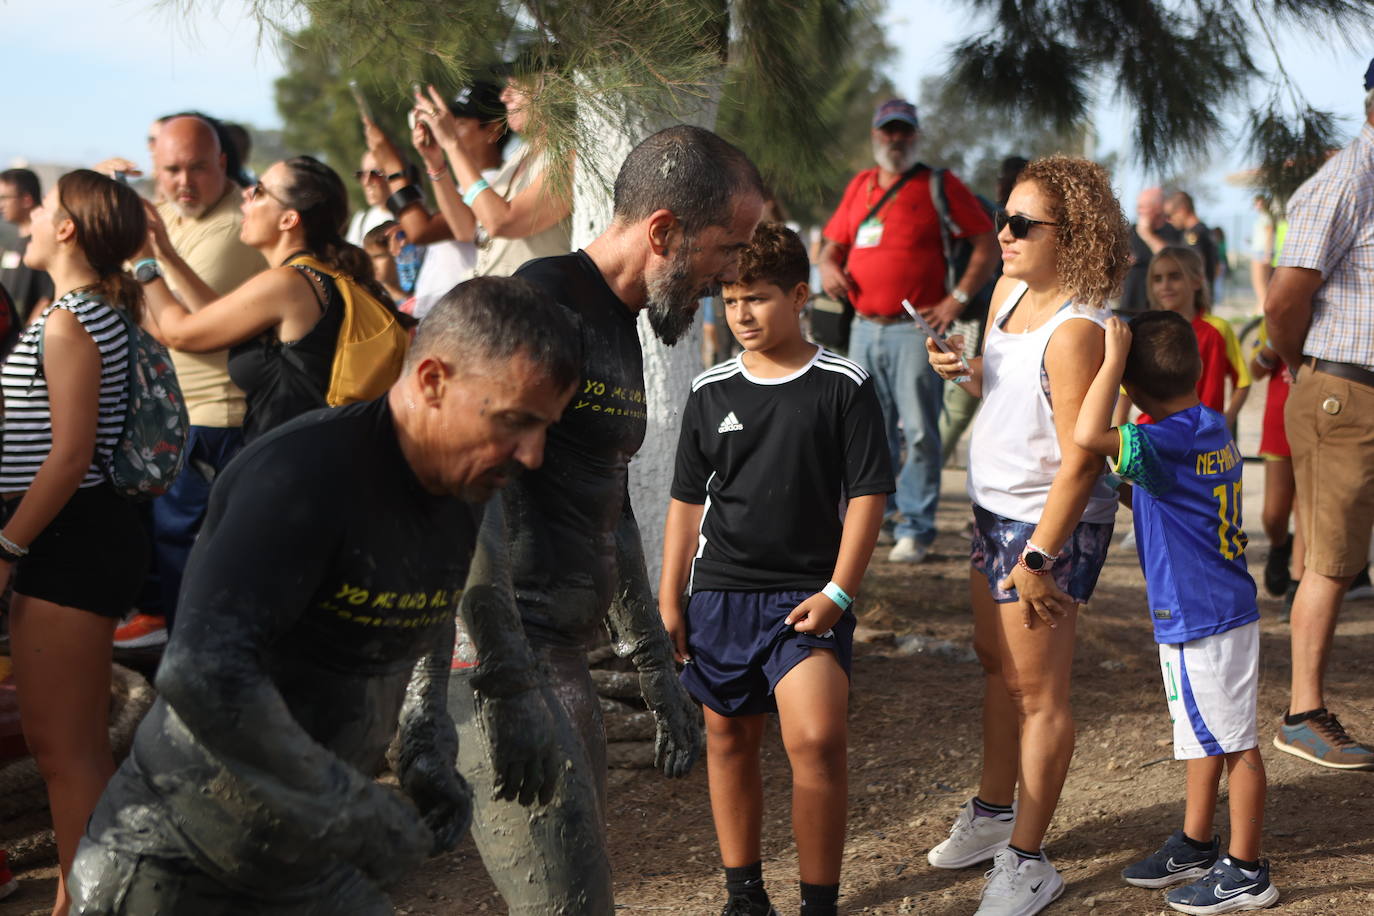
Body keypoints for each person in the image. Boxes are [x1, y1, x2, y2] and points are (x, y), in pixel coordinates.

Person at [68, 277, 580, 914]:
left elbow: (412, 627)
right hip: (176, 861)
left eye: (545, 429)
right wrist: (348, 801)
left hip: (307, 866)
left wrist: (422, 744)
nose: (531, 454)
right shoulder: (302, 474)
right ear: (431, 381)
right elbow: (202, 671)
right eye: (515, 422)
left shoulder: (464, 480)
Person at [448, 124, 764, 915]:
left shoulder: (618, 320)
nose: (733, 274)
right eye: (728, 248)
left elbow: (605, 498)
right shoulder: (540, 304)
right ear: (664, 230)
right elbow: (463, 495)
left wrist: (652, 657)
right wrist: (500, 677)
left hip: (561, 656)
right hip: (503, 659)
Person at [660, 223, 893, 916]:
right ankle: (745, 896)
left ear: (798, 296)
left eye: (756, 299)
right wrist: (672, 594)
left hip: (809, 599)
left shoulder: (843, 384)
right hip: (721, 595)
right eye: (729, 300)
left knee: (817, 739)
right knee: (727, 738)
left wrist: (840, 591)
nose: (741, 315)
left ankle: (818, 903)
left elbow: (868, 495)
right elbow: (684, 501)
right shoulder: (710, 390)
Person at [924, 155, 1130, 916]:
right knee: (994, 667)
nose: (1000, 232)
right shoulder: (1009, 290)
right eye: (1000, 217)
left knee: (1039, 692)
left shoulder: (1081, 328)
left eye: (1019, 223)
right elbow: (1011, 385)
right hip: (992, 510)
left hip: (1043, 524)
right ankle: (991, 812)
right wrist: (964, 369)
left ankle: (1028, 860)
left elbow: (1083, 459)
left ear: (1069, 235)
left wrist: (1040, 556)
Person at [1075, 312, 1278, 914]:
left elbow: (1090, 435)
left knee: (1235, 740)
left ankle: (1246, 870)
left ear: (1133, 389)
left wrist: (1110, 363)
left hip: (1204, 617)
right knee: (1201, 734)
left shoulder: (1164, 438)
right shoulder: (1207, 424)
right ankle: (1196, 842)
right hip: (1212, 610)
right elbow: (1141, 481)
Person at [0, 169, 151, 916]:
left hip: (65, 538)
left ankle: (94, 903)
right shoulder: (95, 312)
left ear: (66, 229)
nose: (25, 217)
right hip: (83, 536)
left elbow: (69, 456)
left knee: (64, 753)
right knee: (78, 747)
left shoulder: (69, 319)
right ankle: (77, 899)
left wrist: (6, 546)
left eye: (41, 209)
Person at [102, 114, 266, 650]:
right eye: (172, 169)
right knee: (173, 551)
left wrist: (145, 266)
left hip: (212, 417)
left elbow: (178, 329)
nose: (184, 182)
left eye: (198, 167)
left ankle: (194, 673)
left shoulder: (231, 227)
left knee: (191, 553)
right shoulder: (171, 214)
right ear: (155, 166)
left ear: (223, 163)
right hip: (176, 414)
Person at [819, 98, 997, 563]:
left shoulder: (938, 184)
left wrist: (956, 299)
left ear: (915, 135)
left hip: (913, 329)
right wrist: (827, 266)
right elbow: (831, 245)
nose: (895, 140)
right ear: (876, 136)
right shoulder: (860, 185)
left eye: (903, 132)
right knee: (864, 430)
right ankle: (877, 517)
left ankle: (915, 527)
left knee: (919, 431)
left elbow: (986, 243)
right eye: (887, 132)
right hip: (861, 327)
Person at [1263, 61, 1374, 771]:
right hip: (1345, 389)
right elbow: (1282, 300)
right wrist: (1303, 365)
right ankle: (1303, 713)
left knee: (1335, 559)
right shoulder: (1345, 179)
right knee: (1329, 563)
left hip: (1355, 387)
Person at [135, 155, 390, 443]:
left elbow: (181, 334)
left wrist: (143, 263)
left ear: (288, 219)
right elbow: (213, 316)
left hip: (293, 464)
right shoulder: (310, 276)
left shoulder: (287, 283)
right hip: (305, 455)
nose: (245, 193)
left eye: (258, 191)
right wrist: (165, 252)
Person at [408, 60, 573, 279]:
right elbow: (466, 229)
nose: (504, 96)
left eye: (515, 87)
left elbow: (502, 222)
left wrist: (452, 144)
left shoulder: (569, 156)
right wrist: (436, 164)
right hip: (500, 302)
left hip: (533, 305)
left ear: (550, 92)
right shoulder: (521, 155)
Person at [1130, 247, 1249, 428]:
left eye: (1175, 276)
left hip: (1203, 435)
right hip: (1157, 435)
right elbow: (1127, 387)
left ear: (1197, 280)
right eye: (1157, 279)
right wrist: (1120, 421)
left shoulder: (1218, 329)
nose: (1165, 285)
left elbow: (1243, 381)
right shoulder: (1147, 332)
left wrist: (1228, 418)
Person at [0, 168, 55, 323]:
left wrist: (26, 338)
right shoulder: (11, 245)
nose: (0, 205)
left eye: (4, 198)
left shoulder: (44, 245)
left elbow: (48, 296)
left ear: (26, 200)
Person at [1118, 187, 1183, 314]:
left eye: (1144, 207)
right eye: (1138, 207)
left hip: (1157, 307)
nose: (1139, 211)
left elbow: (1171, 259)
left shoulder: (1172, 232)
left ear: (1158, 208)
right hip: (1130, 304)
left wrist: (1147, 234)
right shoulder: (1130, 232)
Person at [1164, 191, 1220, 286]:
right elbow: (1217, 267)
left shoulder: (1193, 235)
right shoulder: (1205, 231)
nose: (1168, 220)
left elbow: (1193, 265)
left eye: (1169, 215)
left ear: (1182, 210)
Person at [344, 151, 393, 247]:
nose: (366, 182)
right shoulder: (361, 221)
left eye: (374, 174)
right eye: (361, 175)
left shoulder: (411, 217)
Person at [364, 220, 407, 306]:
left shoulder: (423, 286)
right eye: (368, 258)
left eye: (378, 257)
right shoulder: (377, 303)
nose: (372, 264)